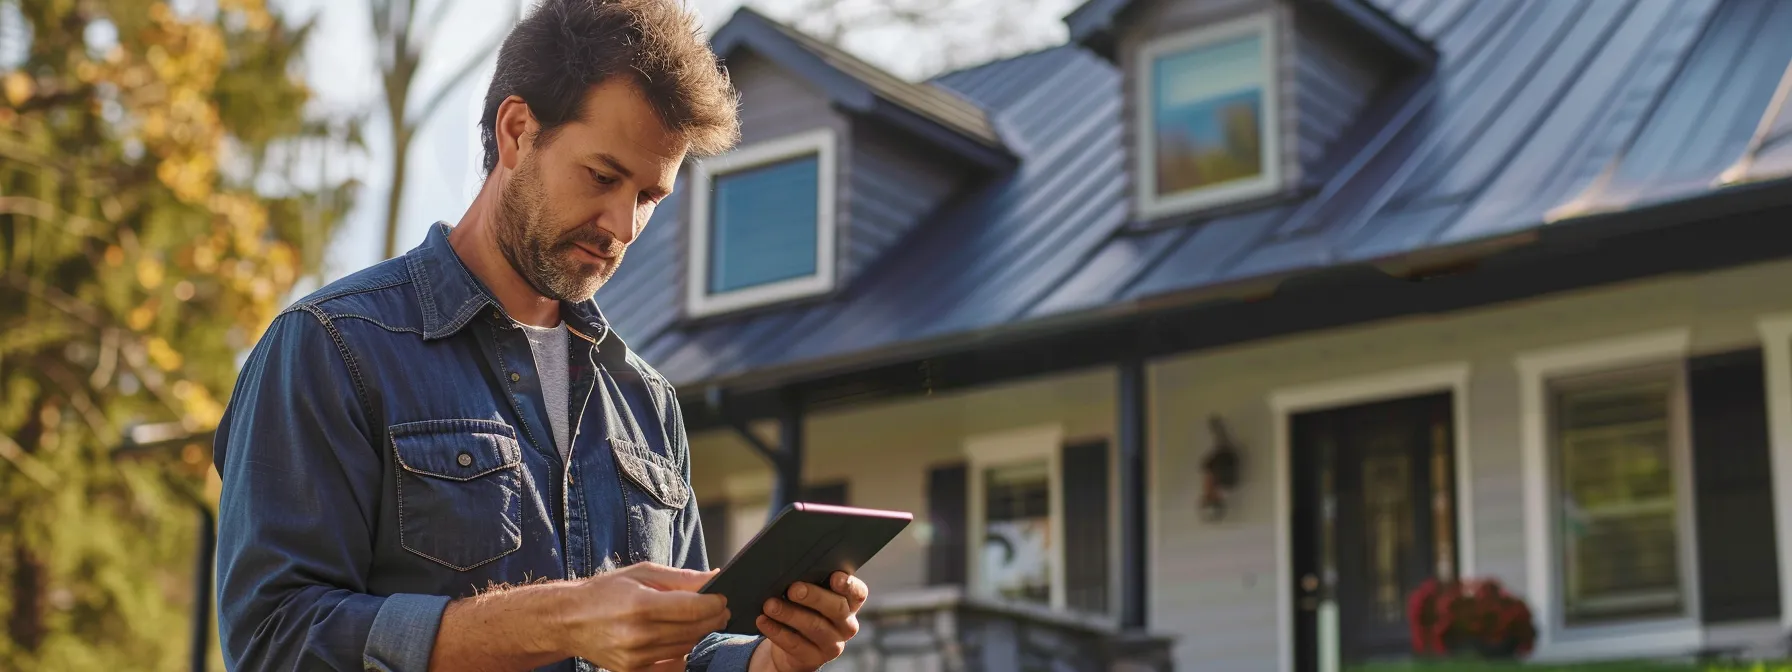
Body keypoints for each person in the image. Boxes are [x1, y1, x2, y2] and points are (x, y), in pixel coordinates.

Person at [211, 1, 868, 670]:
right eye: (604, 177)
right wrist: (558, 620)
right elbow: (274, 640)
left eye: (649, 197)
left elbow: (684, 652)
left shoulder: (648, 403)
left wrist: (766, 662)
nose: (623, 225)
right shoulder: (332, 346)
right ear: (517, 131)